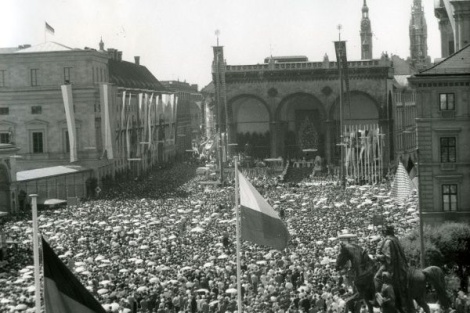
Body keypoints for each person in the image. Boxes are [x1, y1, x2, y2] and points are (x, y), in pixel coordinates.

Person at [374, 225, 411, 313]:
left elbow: (388, 258)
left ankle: (380, 300)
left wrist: (378, 257)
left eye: (383, 232)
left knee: (376, 277)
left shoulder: (388, 242)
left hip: (391, 267)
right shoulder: (396, 239)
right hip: (401, 265)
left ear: (385, 232)